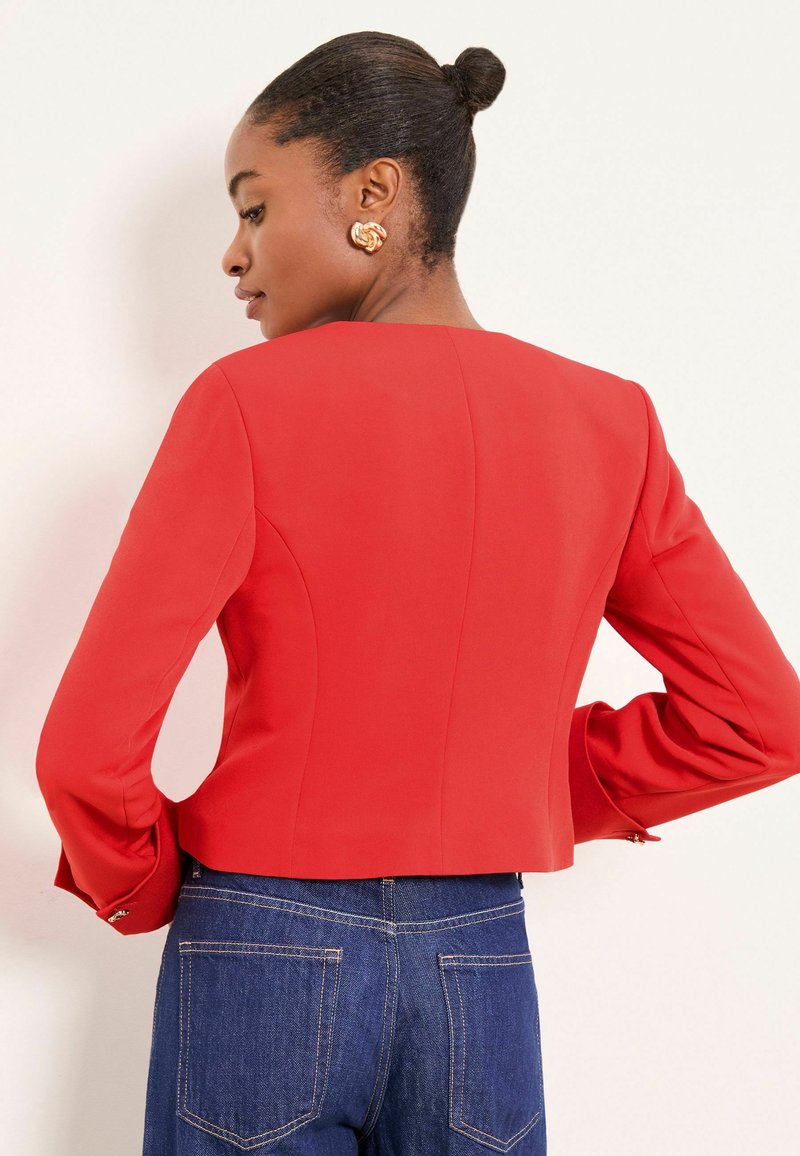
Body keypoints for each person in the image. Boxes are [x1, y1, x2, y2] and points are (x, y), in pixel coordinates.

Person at [34, 30, 800, 1156]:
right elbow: (759, 718)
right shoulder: (607, 422)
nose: (233, 256)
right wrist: (532, 783)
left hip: (259, 940)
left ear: (374, 195)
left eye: (254, 208)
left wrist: (142, 890)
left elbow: (83, 754)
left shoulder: (245, 403)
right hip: (475, 954)